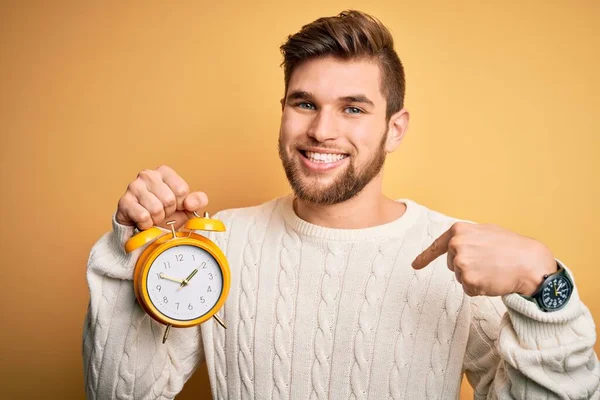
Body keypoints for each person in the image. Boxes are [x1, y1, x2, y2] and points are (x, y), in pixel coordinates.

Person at [83, 10, 600, 400]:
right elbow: (121, 394)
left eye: (353, 108)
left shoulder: (459, 257)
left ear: (393, 129)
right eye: (304, 103)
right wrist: (137, 252)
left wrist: (543, 283)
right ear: (283, 111)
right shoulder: (216, 242)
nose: (321, 131)